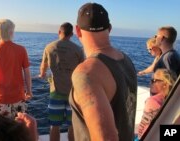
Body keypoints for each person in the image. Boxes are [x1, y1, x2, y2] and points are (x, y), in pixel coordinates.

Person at [69, 3, 137, 141]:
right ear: (110, 28)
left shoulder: (86, 73)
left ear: (77, 30)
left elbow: (106, 137)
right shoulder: (126, 60)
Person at [39, 22, 84, 141]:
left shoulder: (49, 47)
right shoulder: (78, 49)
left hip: (55, 92)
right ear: (72, 34)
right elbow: (83, 70)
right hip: (73, 93)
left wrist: (43, 74)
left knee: (54, 125)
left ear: (59, 32)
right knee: (72, 125)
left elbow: (43, 67)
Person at [0, 19, 32, 119]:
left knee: (1, 129)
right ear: (11, 32)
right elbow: (27, 74)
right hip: (18, 98)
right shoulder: (21, 50)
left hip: (0, 99)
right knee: (20, 127)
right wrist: (29, 91)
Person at [136, 69, 177, 140]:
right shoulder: (171, 101)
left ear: (165, 84)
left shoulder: (153, 101)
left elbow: (144, 128)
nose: (150, 83)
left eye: (154, 81)